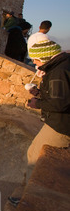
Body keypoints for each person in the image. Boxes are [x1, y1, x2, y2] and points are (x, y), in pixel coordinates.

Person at [25, 39, 70, 180]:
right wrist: (39, 93)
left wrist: (36, 104)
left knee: (37, 161)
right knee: (32, 152)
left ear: (43, 58)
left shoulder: (59, 73)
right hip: (56, 122)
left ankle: (28, 196)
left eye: (35, 61)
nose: (35, 64)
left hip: (61, 126)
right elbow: (60, 95)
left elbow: (59, 104)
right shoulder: (60, 66)